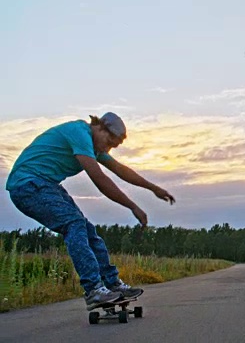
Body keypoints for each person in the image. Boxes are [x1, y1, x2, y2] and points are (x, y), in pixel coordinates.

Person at [5, 112, 176, 310]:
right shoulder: (79, 133)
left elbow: (120, 169)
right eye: (109, 142)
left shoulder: (93, 145)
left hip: (46, 185)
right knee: (74, 224)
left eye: (113, 146)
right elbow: (100, 179)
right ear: (99, 127)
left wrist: (154, 188)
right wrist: (133, 206)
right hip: (27, 185)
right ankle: (94, 289)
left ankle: (111, 283)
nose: (107, 149)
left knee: (87, 230)